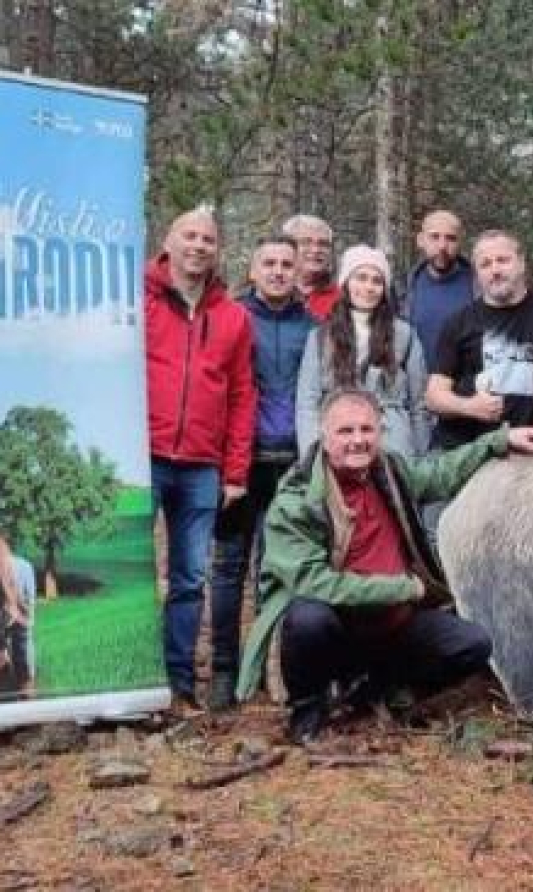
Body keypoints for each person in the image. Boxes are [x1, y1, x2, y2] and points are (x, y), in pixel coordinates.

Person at [234, 388, 533, 743]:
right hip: (339, 630)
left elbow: (440, 473)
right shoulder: (295, 502)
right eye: (345, 431)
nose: (358, 441)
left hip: (394, 626)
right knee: (306, 618)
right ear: (323, 437)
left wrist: (499, 440)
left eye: (366, 430)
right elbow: (313, 582)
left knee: (473, 644)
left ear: (380, 433)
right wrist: (403, 588)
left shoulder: (390, 471)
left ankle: (375, 691)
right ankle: (307, 712)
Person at [145, 208, 255, 709]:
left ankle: (179, 684)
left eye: (207, 239)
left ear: (218, 250)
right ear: (169, 241)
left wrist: (234, 471)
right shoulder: (138, 300)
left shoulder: (232, 317)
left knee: (190, 578)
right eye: (189, 235)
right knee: (129, 574)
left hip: (201, 466)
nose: (198, 245)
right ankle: (127, 680)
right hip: (141, 455)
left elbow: (241, 396)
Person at [207, 233, 316, 711]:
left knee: (277, 569)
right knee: (229, 566)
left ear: (297, 271)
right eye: (268, 263)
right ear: (251, 270)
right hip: (239, 461)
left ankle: (276, 669)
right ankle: (224, 672)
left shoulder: (313, 326)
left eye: (285, 264)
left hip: (291, 464)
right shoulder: (231, 318)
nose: (277, 271)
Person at [426, 230, 533, 449]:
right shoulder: (459, 321)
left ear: (521, 263)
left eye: (503, 260)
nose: (495, 270)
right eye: (485, 264)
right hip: (466, 449)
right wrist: (469, 406)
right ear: (477, 274)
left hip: (525, 445)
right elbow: (433, 396)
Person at [297, 245, 431, 459]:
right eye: (360, 277)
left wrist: (421, 458)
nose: (368, 287)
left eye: (376, 281)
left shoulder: (404, 335)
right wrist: (311, 456)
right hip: (338, 446)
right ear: (346, 283)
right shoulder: (321, 336)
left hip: (393, 445)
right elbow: (307, 402)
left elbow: (419, 406)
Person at [395, 209, 476, 366]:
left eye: (451, 238)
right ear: (420, 240)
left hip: (466, 387)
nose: (442, 246)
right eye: (434, 237)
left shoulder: (480, 287)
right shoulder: (402, 289)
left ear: (460, 243)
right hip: (416, 387)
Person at [282, 214, 339, 320]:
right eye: (306, 242)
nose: (315, 250)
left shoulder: (341, 299)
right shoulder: (272, 292)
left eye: (323, 244)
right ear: (287, 247)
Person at [0, 532, 34, 698]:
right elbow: (28, 598)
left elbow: (24, 598)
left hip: (12, 619)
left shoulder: (19, 566)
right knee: (22, 661)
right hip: (14, 619)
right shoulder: (22, 565)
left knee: (21, 661)